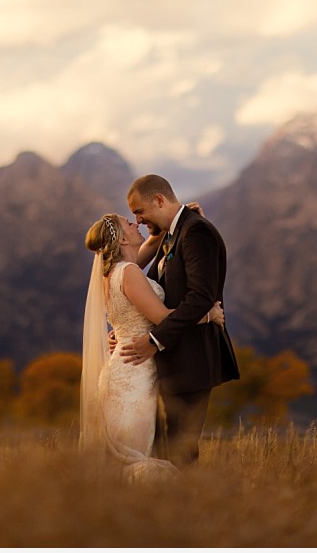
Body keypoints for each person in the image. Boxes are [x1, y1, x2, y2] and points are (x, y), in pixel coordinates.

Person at [81, 212, 224, 482]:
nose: (135, 223)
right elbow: (162, 318)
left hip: (123, 370)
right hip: (133, 376)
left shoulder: (115, 270)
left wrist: (178, 218)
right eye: (129, 223)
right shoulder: (129, 272)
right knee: (136, 459)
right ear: (122, 239)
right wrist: (209, 315)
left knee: (126, 457)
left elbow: (149, 245)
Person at [121, 175, 240, 468]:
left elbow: (201, 297)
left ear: (160, 200)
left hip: (193, 360)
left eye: (140, 211)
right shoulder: (174, 233)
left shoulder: (196, 232)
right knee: (163, 450)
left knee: (180, 452)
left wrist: (154, 340)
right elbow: (156, 294)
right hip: (171, 362)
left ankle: (185, 509)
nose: (137, 220)